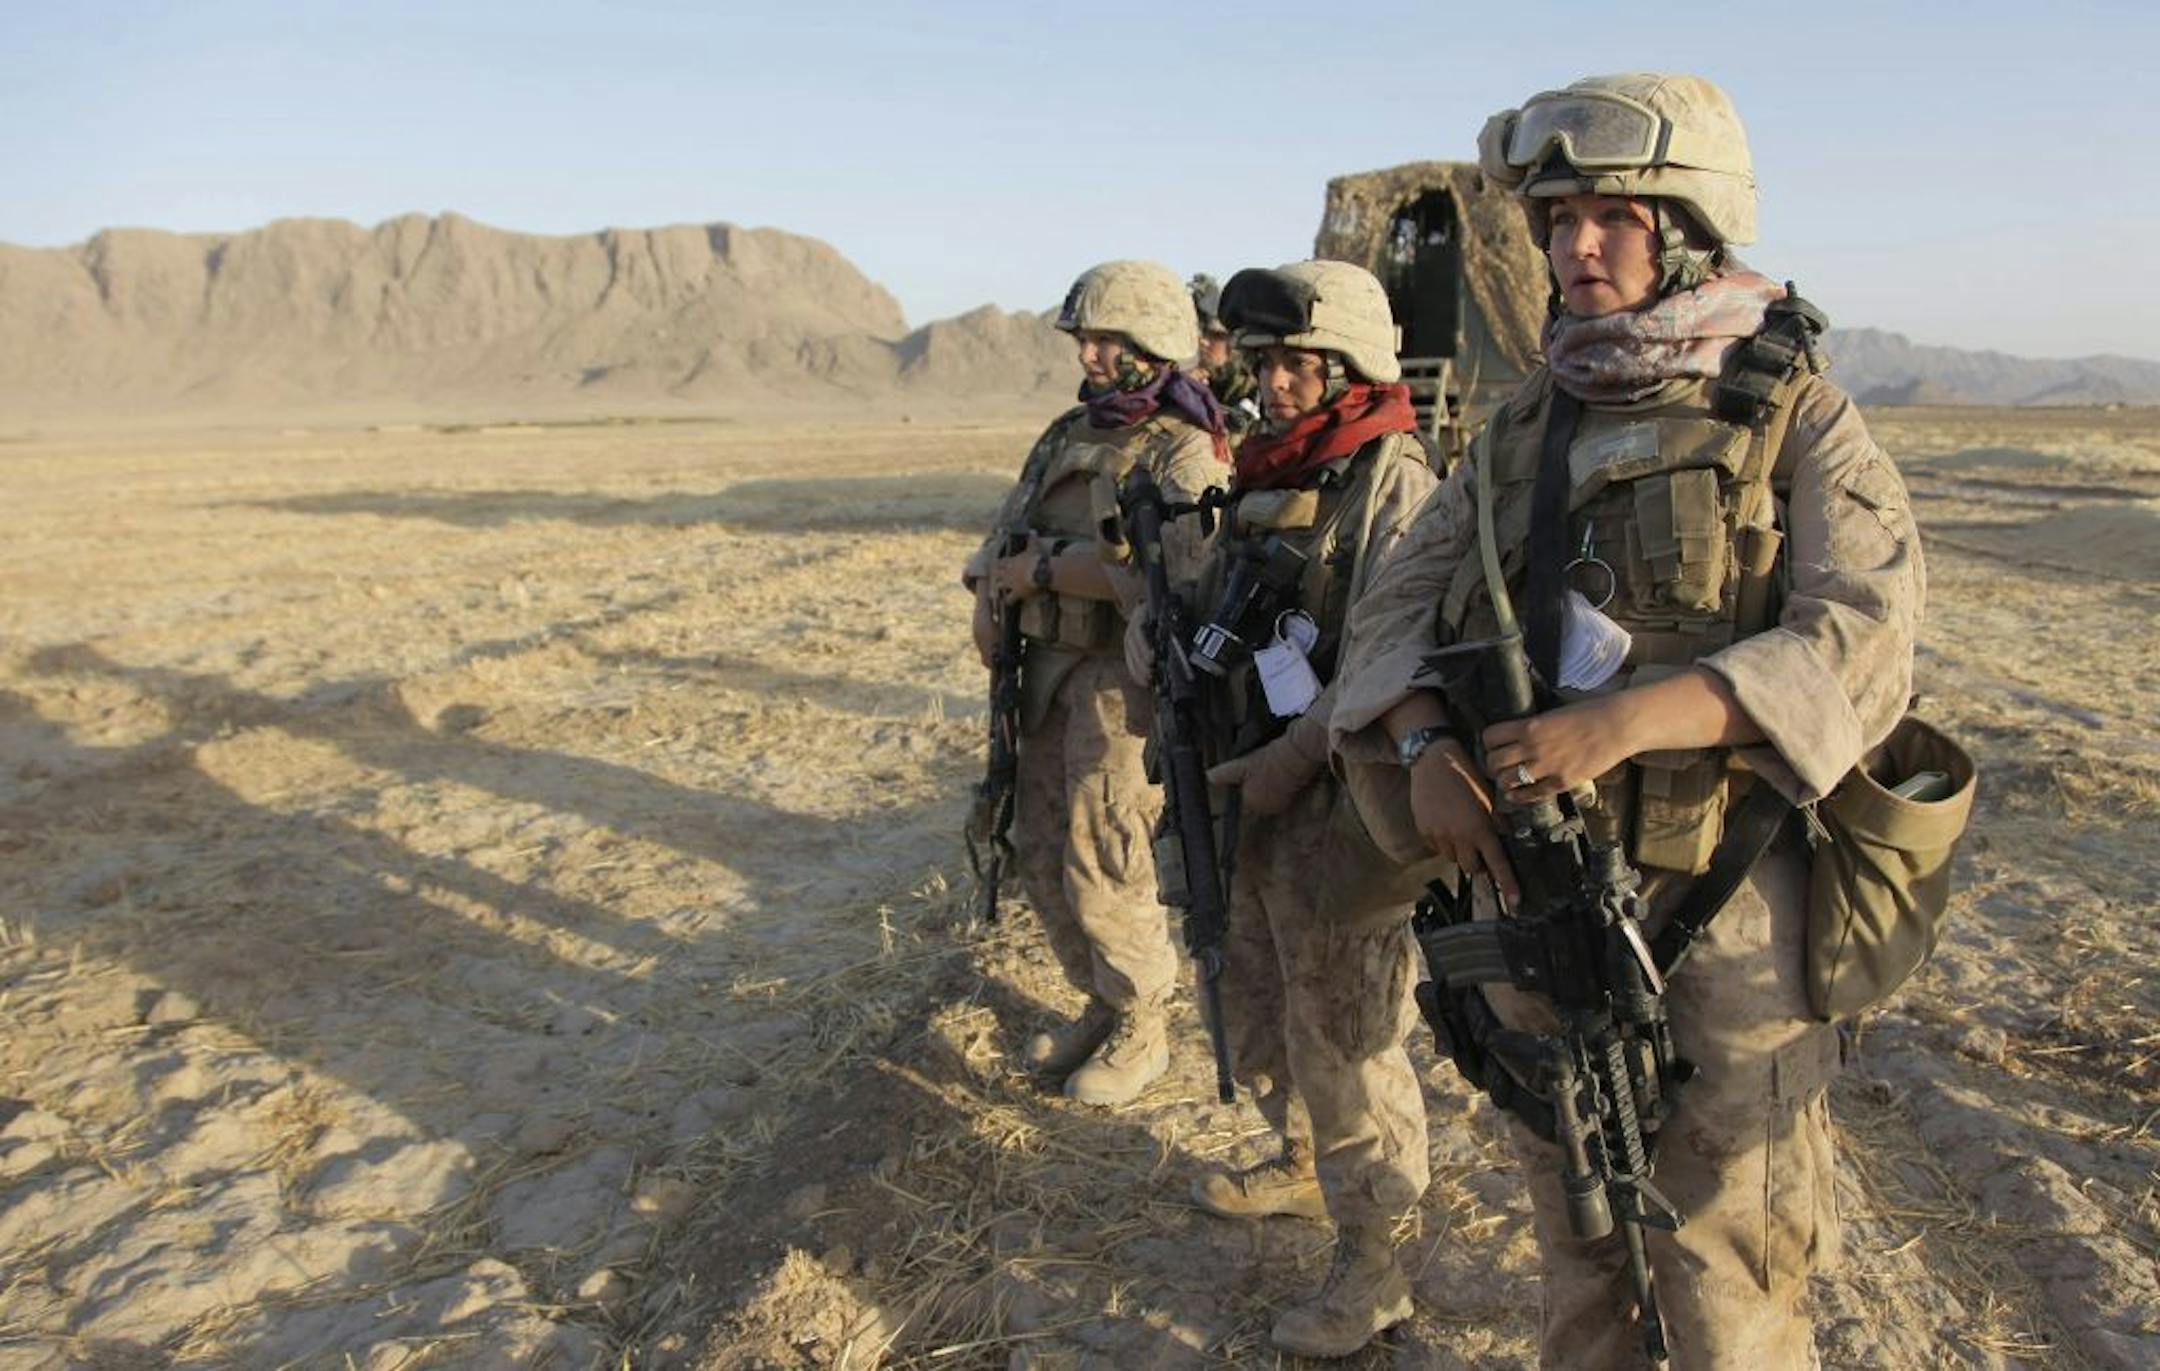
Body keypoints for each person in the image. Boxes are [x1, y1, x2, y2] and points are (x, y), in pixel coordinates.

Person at [1328, 74, 1923, 1367]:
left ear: (1692, 232)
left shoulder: (1795, 415)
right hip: (1542, 890)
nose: (1575, 246)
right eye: (1557, 220)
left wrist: (1634, 720)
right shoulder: (1522, 428)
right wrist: (1424, 744)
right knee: (1577, 1235)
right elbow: (1392, 608)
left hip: (1724, 895)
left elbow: (1864, 639)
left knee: (1728, 1260)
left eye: (1613, 217)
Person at [1166, 261, 1442, 1358]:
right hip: (1253, 789)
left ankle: (1376, 1261)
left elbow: (1394, 650)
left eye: (1298, 364)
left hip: (1346, 808)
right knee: (1262, 995)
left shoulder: (1394, 482)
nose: (1274, 383)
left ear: (1352, 365)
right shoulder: (1264, 469)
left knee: (1348, 1035)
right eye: (1263, 361)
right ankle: (1298, 1162)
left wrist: (1292, 755)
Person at [964, 260, 1229, 1106]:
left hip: (1122, 685)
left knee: (1103, 847)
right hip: (1043, 674)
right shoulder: (1066, 433)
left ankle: (1143, 1020)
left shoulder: (1184, 445)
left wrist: (1047, 569)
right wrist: (989, 595)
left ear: (1152, 342)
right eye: (1083, 338)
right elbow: (1005, 531)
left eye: (1105, 339)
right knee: (1040, 845)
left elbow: (1180, 573)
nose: (1087, 354)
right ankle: (1103, 1001)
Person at [1188, 273, 1260, 439]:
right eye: (1198, 333)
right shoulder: (1183, 378)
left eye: (1215, 335)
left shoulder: (1257, 388)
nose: (1203, 342)